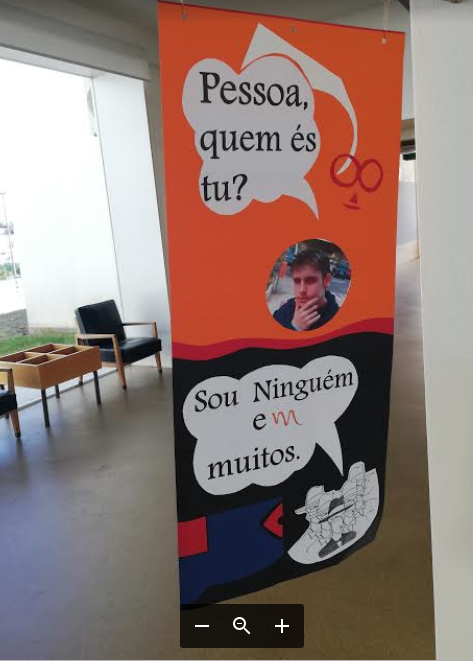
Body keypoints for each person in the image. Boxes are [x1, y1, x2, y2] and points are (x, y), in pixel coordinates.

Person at [273, 248, 340, 331]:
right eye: (297, 281)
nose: (301, 290)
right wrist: (294, 327)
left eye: (310, 281)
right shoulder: (285, 311)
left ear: (326, 281)